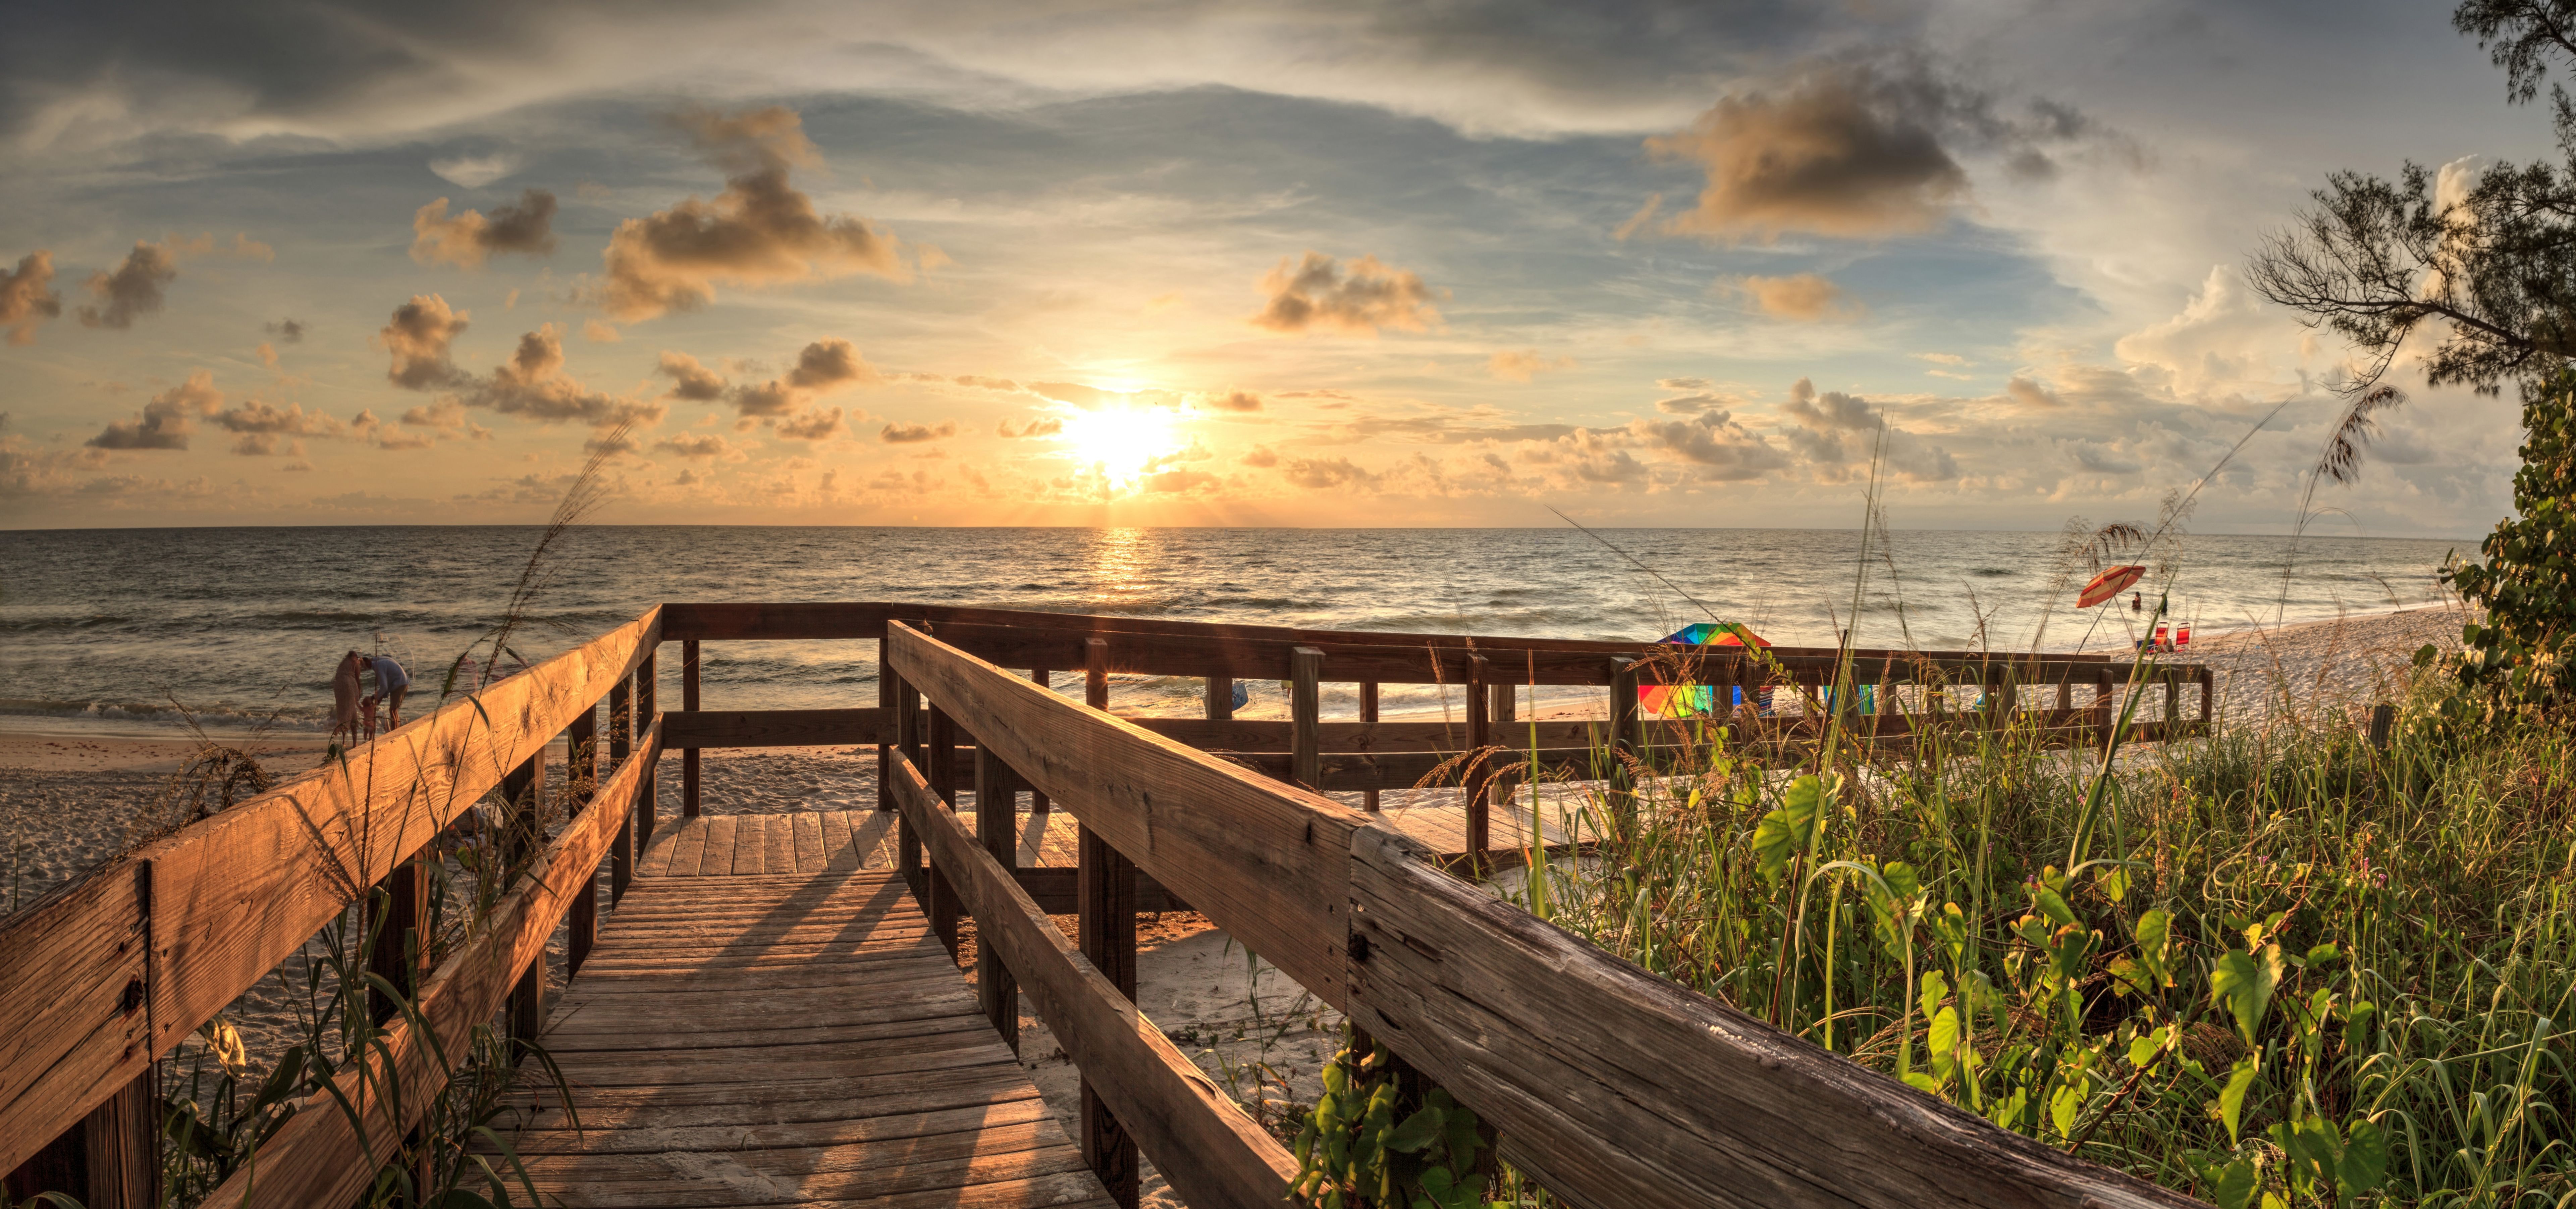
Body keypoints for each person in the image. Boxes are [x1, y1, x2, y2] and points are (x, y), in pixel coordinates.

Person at [367, 651, 411, 737]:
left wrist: (373, 697)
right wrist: (381, 696)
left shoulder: (379, 666)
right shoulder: (381, 661)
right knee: (394, 710)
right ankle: (397, 732)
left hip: (400, 684)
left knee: (392, 710)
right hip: (403, 682)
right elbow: (387, 685)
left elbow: (384, 687)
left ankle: (394, 733)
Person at [330, 651, 364, 745]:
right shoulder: (355, 662)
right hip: (348, 686)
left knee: (343, 713)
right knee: (353, 714)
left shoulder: (343, 663)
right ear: (356, 657)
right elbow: (357, 678)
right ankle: (354, 743)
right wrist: (359, 690)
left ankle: (344, 741)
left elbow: (337, 676)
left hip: (339, 688)